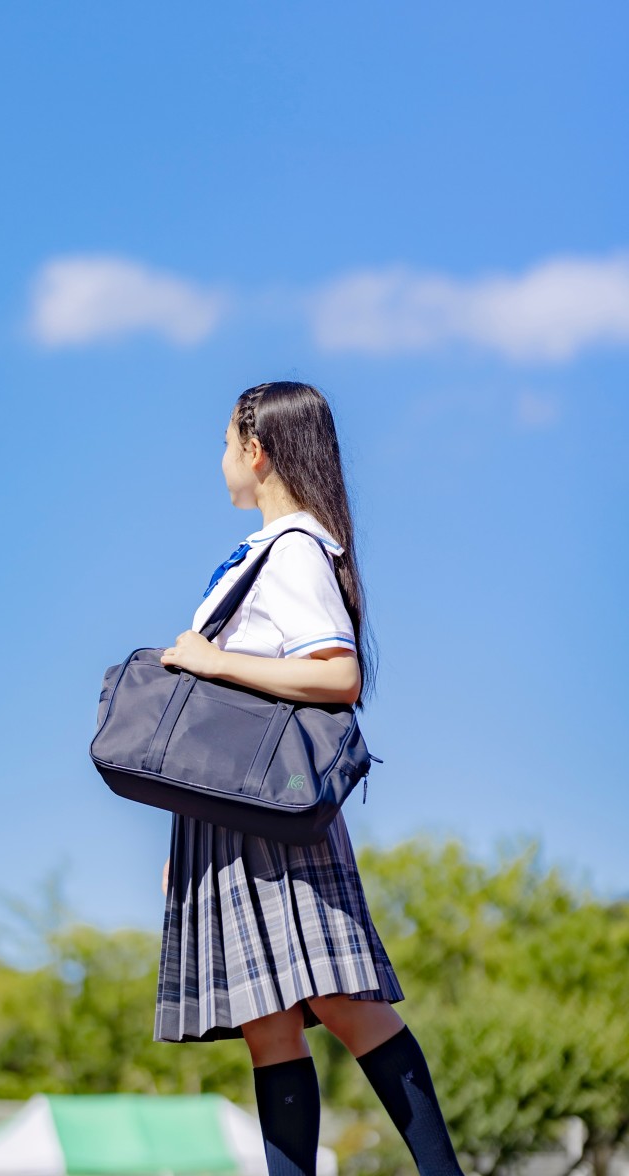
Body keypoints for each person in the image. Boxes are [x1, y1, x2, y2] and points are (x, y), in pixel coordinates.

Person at [155, 382, 463, 1176]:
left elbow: (337, 675)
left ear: (256, 453)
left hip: (273, 811)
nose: (221, 459)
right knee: (268, 1022)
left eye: (227, 443)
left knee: (341, 1002)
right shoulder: (266, 554)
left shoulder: (293, 549)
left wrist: (212, 658)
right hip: (235, 816)